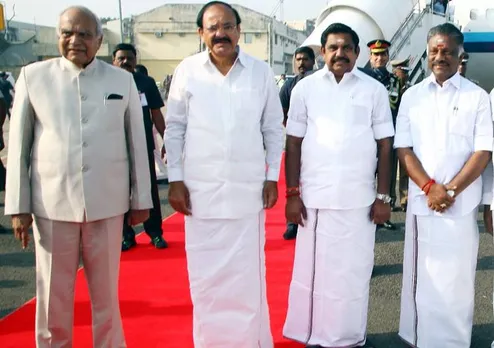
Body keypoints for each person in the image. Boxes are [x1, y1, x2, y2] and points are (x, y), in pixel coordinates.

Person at [5, 6, 152, 347]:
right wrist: (18, 206)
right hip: (51, 205)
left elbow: (136, 143)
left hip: (107, 203)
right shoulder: (33, 77)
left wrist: (141, 198)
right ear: (57, 36)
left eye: (85, 34)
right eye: (67, 33)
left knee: (106, 296)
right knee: (53, 297)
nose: (75, 41)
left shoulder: (121, 80)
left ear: (99, 40)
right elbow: (18, 148)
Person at [164, 1, 284, 347]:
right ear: (201, 33)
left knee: (247, 278)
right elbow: (175, 129)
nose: (221, 34)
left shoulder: (259, 72)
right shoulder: (187, 71)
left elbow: (273, 129)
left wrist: (272, 177)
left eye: (227, 26)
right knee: (206, 279)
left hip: (247, 194)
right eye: (212, 27)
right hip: (200, 195)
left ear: (239, 31)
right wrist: (175, 180)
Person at [283, 23, 394, 348]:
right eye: (333, 47)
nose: (340, 53)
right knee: (315, 276)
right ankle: (315, 335)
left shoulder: (374, 91)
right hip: (315, 200)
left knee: (353, 275)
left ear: (357, 54)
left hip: (359, 200)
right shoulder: (305, 89)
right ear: (322, 52)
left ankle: (350, 338)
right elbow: (293, 143)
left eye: (347, 48)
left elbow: (385, 144)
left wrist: (383, 195)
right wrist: (292, 194)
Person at [395, 23, 492, 348]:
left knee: (458, 281)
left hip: (459, 207)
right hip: (424, 206)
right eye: (435, 50)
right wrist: (429, 187)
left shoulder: (476, 97)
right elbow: (403, 149)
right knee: (426, 278)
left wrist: (449, 190)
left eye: (448, 51)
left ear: (460, 55)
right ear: (427, 51)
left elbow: (483, 151)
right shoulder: (412, 96)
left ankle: (454, 343)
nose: (441, 56)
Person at [112, 44, 168, 251]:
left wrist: (166, 140)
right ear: (113, 60)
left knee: (149, 191)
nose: (125, 61)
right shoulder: (107, 83)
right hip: (115, 149)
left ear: (135, 60)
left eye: (129, 58)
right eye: (121, 58)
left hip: (142, 146)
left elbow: (156, 114)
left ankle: (155, 233)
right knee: (120, 193)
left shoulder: (146, 82)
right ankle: (127, 236)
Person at [360, 39, 401, 226]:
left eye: (383, 54)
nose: (379, 58)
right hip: (366, 136)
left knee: (388, 176)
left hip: (388, 135)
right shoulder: (361, 79)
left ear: (387, 57)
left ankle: (385, 213)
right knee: (366, 175)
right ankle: (363, 210)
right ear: (370, 56)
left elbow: (398, 108)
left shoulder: (394, 81)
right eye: (375, 54)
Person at [279, 45, 315, 240]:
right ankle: (292, 223)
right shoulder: (289, 86)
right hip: (297, 144)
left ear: (313, 61)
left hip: (319, 144)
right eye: (298, 59)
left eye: (305, 59)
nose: (301, 63)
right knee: (294, 181)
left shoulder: (320, 84)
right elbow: (281, 112)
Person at [391, 58, 412, 211]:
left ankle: (405, 199)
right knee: (390, 170)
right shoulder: (390, 88)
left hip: (406, 134)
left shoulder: (411, 89)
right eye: (401, 72)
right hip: (392, 132)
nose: (404, 75)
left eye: (405, 72)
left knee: (406, 168)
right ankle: (390, 200)